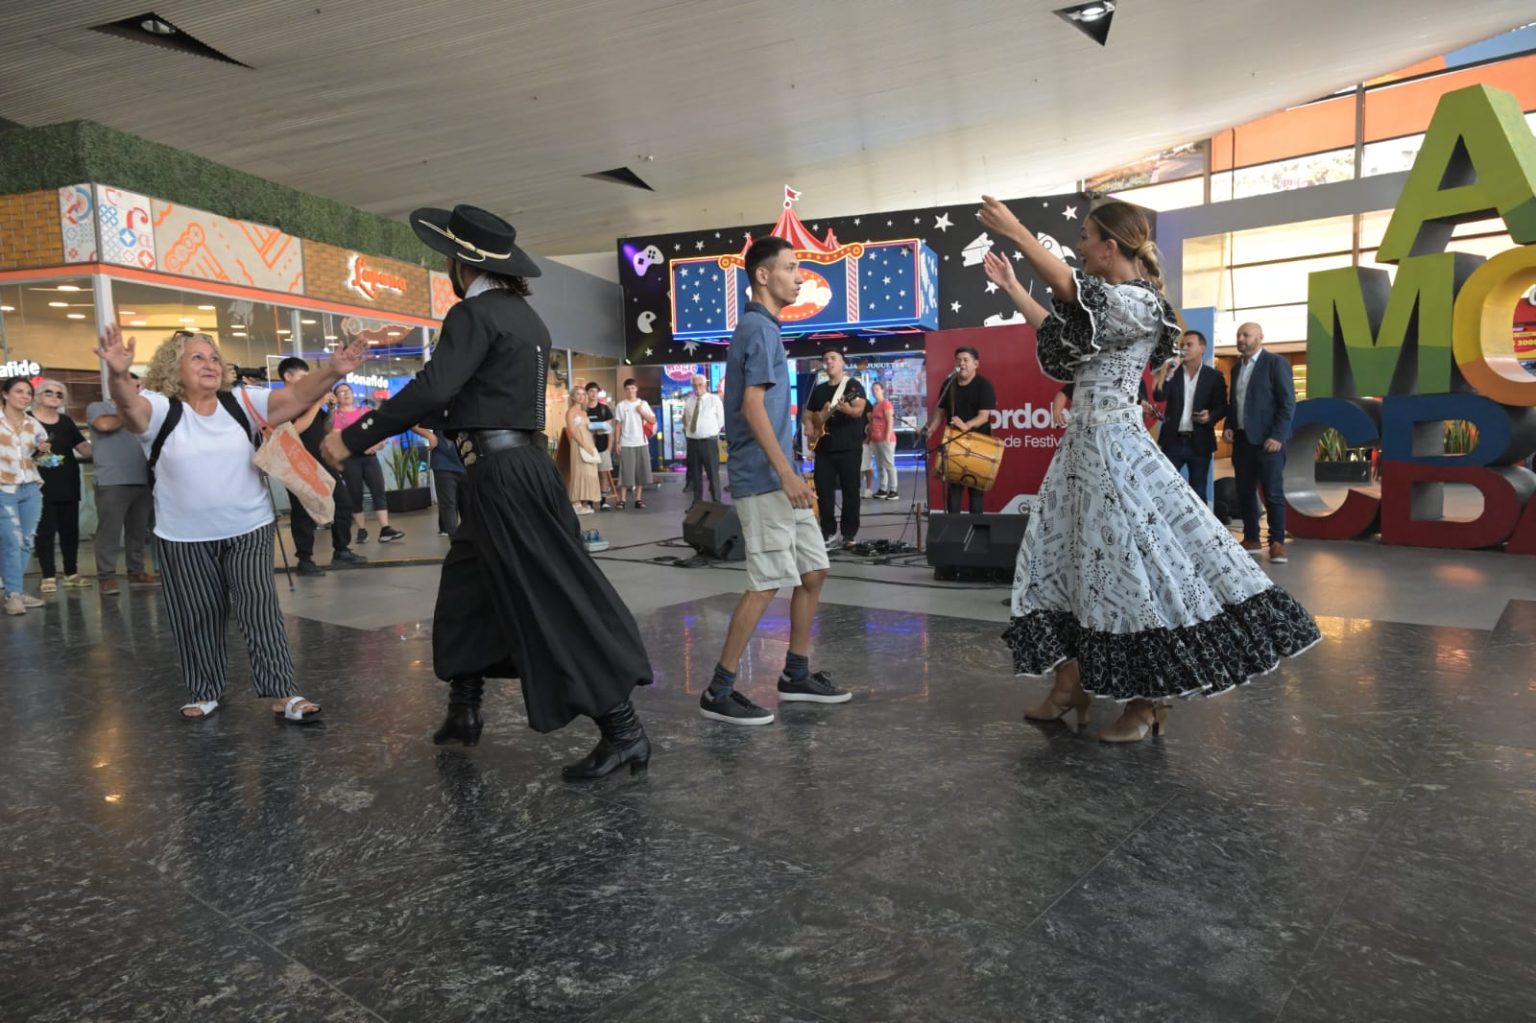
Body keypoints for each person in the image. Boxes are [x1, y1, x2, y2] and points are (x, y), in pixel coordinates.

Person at [319, 203, 653, 780]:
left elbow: (433, 389)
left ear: (461, 263)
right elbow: (478, 399)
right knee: (465, 592)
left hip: (501, 477)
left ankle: (624, 732)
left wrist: (355, 436)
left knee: (551, 598)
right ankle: (464, 710)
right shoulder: (527, 319)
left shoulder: (471, 315)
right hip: (518, 470)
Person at [979, 196, 1319, 743]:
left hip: (1115, 452)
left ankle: (1147, 701)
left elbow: (1072, 290)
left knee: (1128, 566)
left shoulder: (1140, 302)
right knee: (1069, 561)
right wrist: (1014, 288)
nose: (1080, 247)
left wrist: (1018, 232)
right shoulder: (1106, 307)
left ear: (1110, 247)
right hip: (1081, 453)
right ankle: (1070, 685)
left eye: (1086, 237)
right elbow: (1060, 327)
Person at [96, 326, 364, 721]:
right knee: (198, 614)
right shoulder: (159, 407)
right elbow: (130, 410)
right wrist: (118, 374)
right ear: (173, 367)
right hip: (182, 536)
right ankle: (205, 690)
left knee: (259, 608)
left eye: (214, 358)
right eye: (197, 358)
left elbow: (294, 396)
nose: (210, 364)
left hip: (249, 527)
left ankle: (282, 692)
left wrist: (334, 370)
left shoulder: (242, 401)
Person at [702, 236, 852, 726]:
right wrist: (787, 473)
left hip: (780, 476)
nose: (799, 276)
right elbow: (752, 409)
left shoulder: (764, 328)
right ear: (763, 276)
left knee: (813, 570)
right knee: (767, 582)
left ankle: (796, 673)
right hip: (765, 480)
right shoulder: (760, 330)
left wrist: (792, 469)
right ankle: (719, 689)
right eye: (790, 267)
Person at [276, 357, 366, 576]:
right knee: (303, 511)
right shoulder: (282, 402)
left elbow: (326, 427)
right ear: (288, 376)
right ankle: (305, 559)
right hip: (298, 463)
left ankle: (341, 550)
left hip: (322, 461)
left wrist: (331, 409)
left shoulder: (310, 400)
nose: (307, 381)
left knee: (343, 503)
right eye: (302, 376)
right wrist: (317, 404)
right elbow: (294, 430)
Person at [1224, 321, 1295, 563]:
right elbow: (1235, 403)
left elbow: (1287, 403)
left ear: (1260, 337)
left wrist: (1278, 436)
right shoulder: (1236, 368)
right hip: (1243, 441)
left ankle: (1277, 543)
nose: (1241, 339)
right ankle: (1252, 538)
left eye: (1246, 335)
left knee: (1272, 493)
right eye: (1239, 335)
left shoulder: (1275, 363)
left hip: (1269, 442)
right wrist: (1229, 425)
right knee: (1245, 492)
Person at [87, 373, 160, 596]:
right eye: (130, 385)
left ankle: (136, 571)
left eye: (137, 386)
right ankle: (106, 577)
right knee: (109, 532)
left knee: (137, 531)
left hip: (143, 479)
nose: (136, 390)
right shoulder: (97, 407)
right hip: (112, 481)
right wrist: (130, 408)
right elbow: (104, 425)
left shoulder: (146, 411)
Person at [29, 379, 93, 593]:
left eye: (59, 394)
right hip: (39, 485)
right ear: (38, 396)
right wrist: (38, 451)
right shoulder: (28, 420)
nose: (54, 397)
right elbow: (22, 454)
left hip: (68, 483)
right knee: (45, 532)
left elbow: (84, 448)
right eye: (49, 392)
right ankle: (48, 575)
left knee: (70, 531)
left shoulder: (66, 421)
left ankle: (71, 573)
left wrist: (106, 442)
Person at [803, 349, 868, 548]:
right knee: (823, 491)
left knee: (851, 490)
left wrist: (848, 410)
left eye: (833, 358)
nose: (829, 362)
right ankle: (827, 531)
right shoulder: (819, 389)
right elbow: (808, 414)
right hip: (824, 448)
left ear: (842, 362)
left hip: (849, 447)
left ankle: (849, 533)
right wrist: (810, 427)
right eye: (826, 359)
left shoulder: (853, 386)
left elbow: (860, 409)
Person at [1153, 330, 1228, 502]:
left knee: (1198, 491)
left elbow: (1222, 407)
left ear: (1202, 348)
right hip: (1172, 442)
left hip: (1200, 442)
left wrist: (1210, 417)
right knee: (1166, 489)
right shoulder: (1173, 372)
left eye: (1189, 344)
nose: (1184, 348)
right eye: (1182, 345)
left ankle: (1199, 521)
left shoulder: (1214, 377)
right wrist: (1170, 373)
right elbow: (1159, 397)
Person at [925, 347, 996, 514]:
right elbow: (940, 411)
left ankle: (975, 528)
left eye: (965, 360)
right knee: (954, 492)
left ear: (975, 364)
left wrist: (967, 425)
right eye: (958, 360)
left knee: (975, 493)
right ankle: (953, 527)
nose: (961, 363)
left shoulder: (984, 385)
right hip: (955, 442)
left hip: (979, 444)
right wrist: (931, 429)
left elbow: (984, 416)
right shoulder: (949, 384)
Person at [1, 377, 50, 616]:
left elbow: (42, 459)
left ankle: (16, 591)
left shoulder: (34, 424)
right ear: (5, 394)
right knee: (13, 542)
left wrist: (44, 452)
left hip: (30, 488)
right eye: (19, 391)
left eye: (28, 393)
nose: (25, 396)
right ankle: (13, 595)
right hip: (3, 489)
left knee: (26, 541)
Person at [331, 382, 403, 544]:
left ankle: (385, 529)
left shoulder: (365, 411)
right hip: (350, 460)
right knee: (355, 495)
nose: (346, 394)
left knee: (379, 491)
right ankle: (362, 530)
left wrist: (375, 445)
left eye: (348, 391)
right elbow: (338, 439)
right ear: (336, 398)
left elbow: (381, 432)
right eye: (341, 392)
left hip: (370, 458)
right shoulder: (336, 416)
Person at [613, 379, 655, 509]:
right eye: (628, 388)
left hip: (641, 442)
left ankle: (638, 499)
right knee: (626, 471)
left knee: (640, 472)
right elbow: (618, 425)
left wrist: (641, 411)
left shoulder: (643, 403)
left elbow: (653, 420)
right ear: (625, 390)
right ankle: (622, 499)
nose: (630, 391)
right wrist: (617, 442)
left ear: (636, 389)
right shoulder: (621, 406)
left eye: (632, 388)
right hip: (626, 442)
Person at [682, 373, 724, 505]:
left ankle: (717, 503)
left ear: (706, 385)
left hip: (708, 442)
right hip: (693, 442)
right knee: (695, 475)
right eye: (694, 386)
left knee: (713, 473)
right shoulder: (689, 401)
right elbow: (687, 419)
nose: (697, 388)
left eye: (700, 385)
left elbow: (720, 421)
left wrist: (709, 431)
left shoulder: (714, 400)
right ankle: (697, 503)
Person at [558, 389, 601, 514]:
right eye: (578, 394)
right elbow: (571, 431)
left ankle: (584, 503)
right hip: (578, 445)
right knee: (579, 473)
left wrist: (596, 431)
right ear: (572, 397)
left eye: (583, 394)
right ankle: (575, 503)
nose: (581, 396)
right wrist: (584, 445)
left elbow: (587, 429)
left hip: (589, 443)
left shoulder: (584, 412)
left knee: (590, 474)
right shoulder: (570, 412)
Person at [865, 380, 898, 500]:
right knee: (880, 465)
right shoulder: (875, 406)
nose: (875, 391)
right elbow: (873, 422)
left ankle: (893, 490)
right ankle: (883, 489)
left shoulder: (886, 404)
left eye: (877, 389)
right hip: (876, 439)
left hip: (885, 439)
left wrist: (887, 437)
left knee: (889, 464)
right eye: (873, 389)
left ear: (882, 390)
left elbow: (890, 421)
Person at [585, 382, 616, 509]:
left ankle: (603, 501)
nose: (593, 394)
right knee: (590, 475)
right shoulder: (583, 410)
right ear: (587, 393)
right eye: (591, 391)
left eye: (596, 391)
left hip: (603, 447)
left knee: (603, 474)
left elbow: (609, 431)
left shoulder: (604, 409)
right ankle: (590, 501)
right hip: (587, 447)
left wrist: (609, 448)